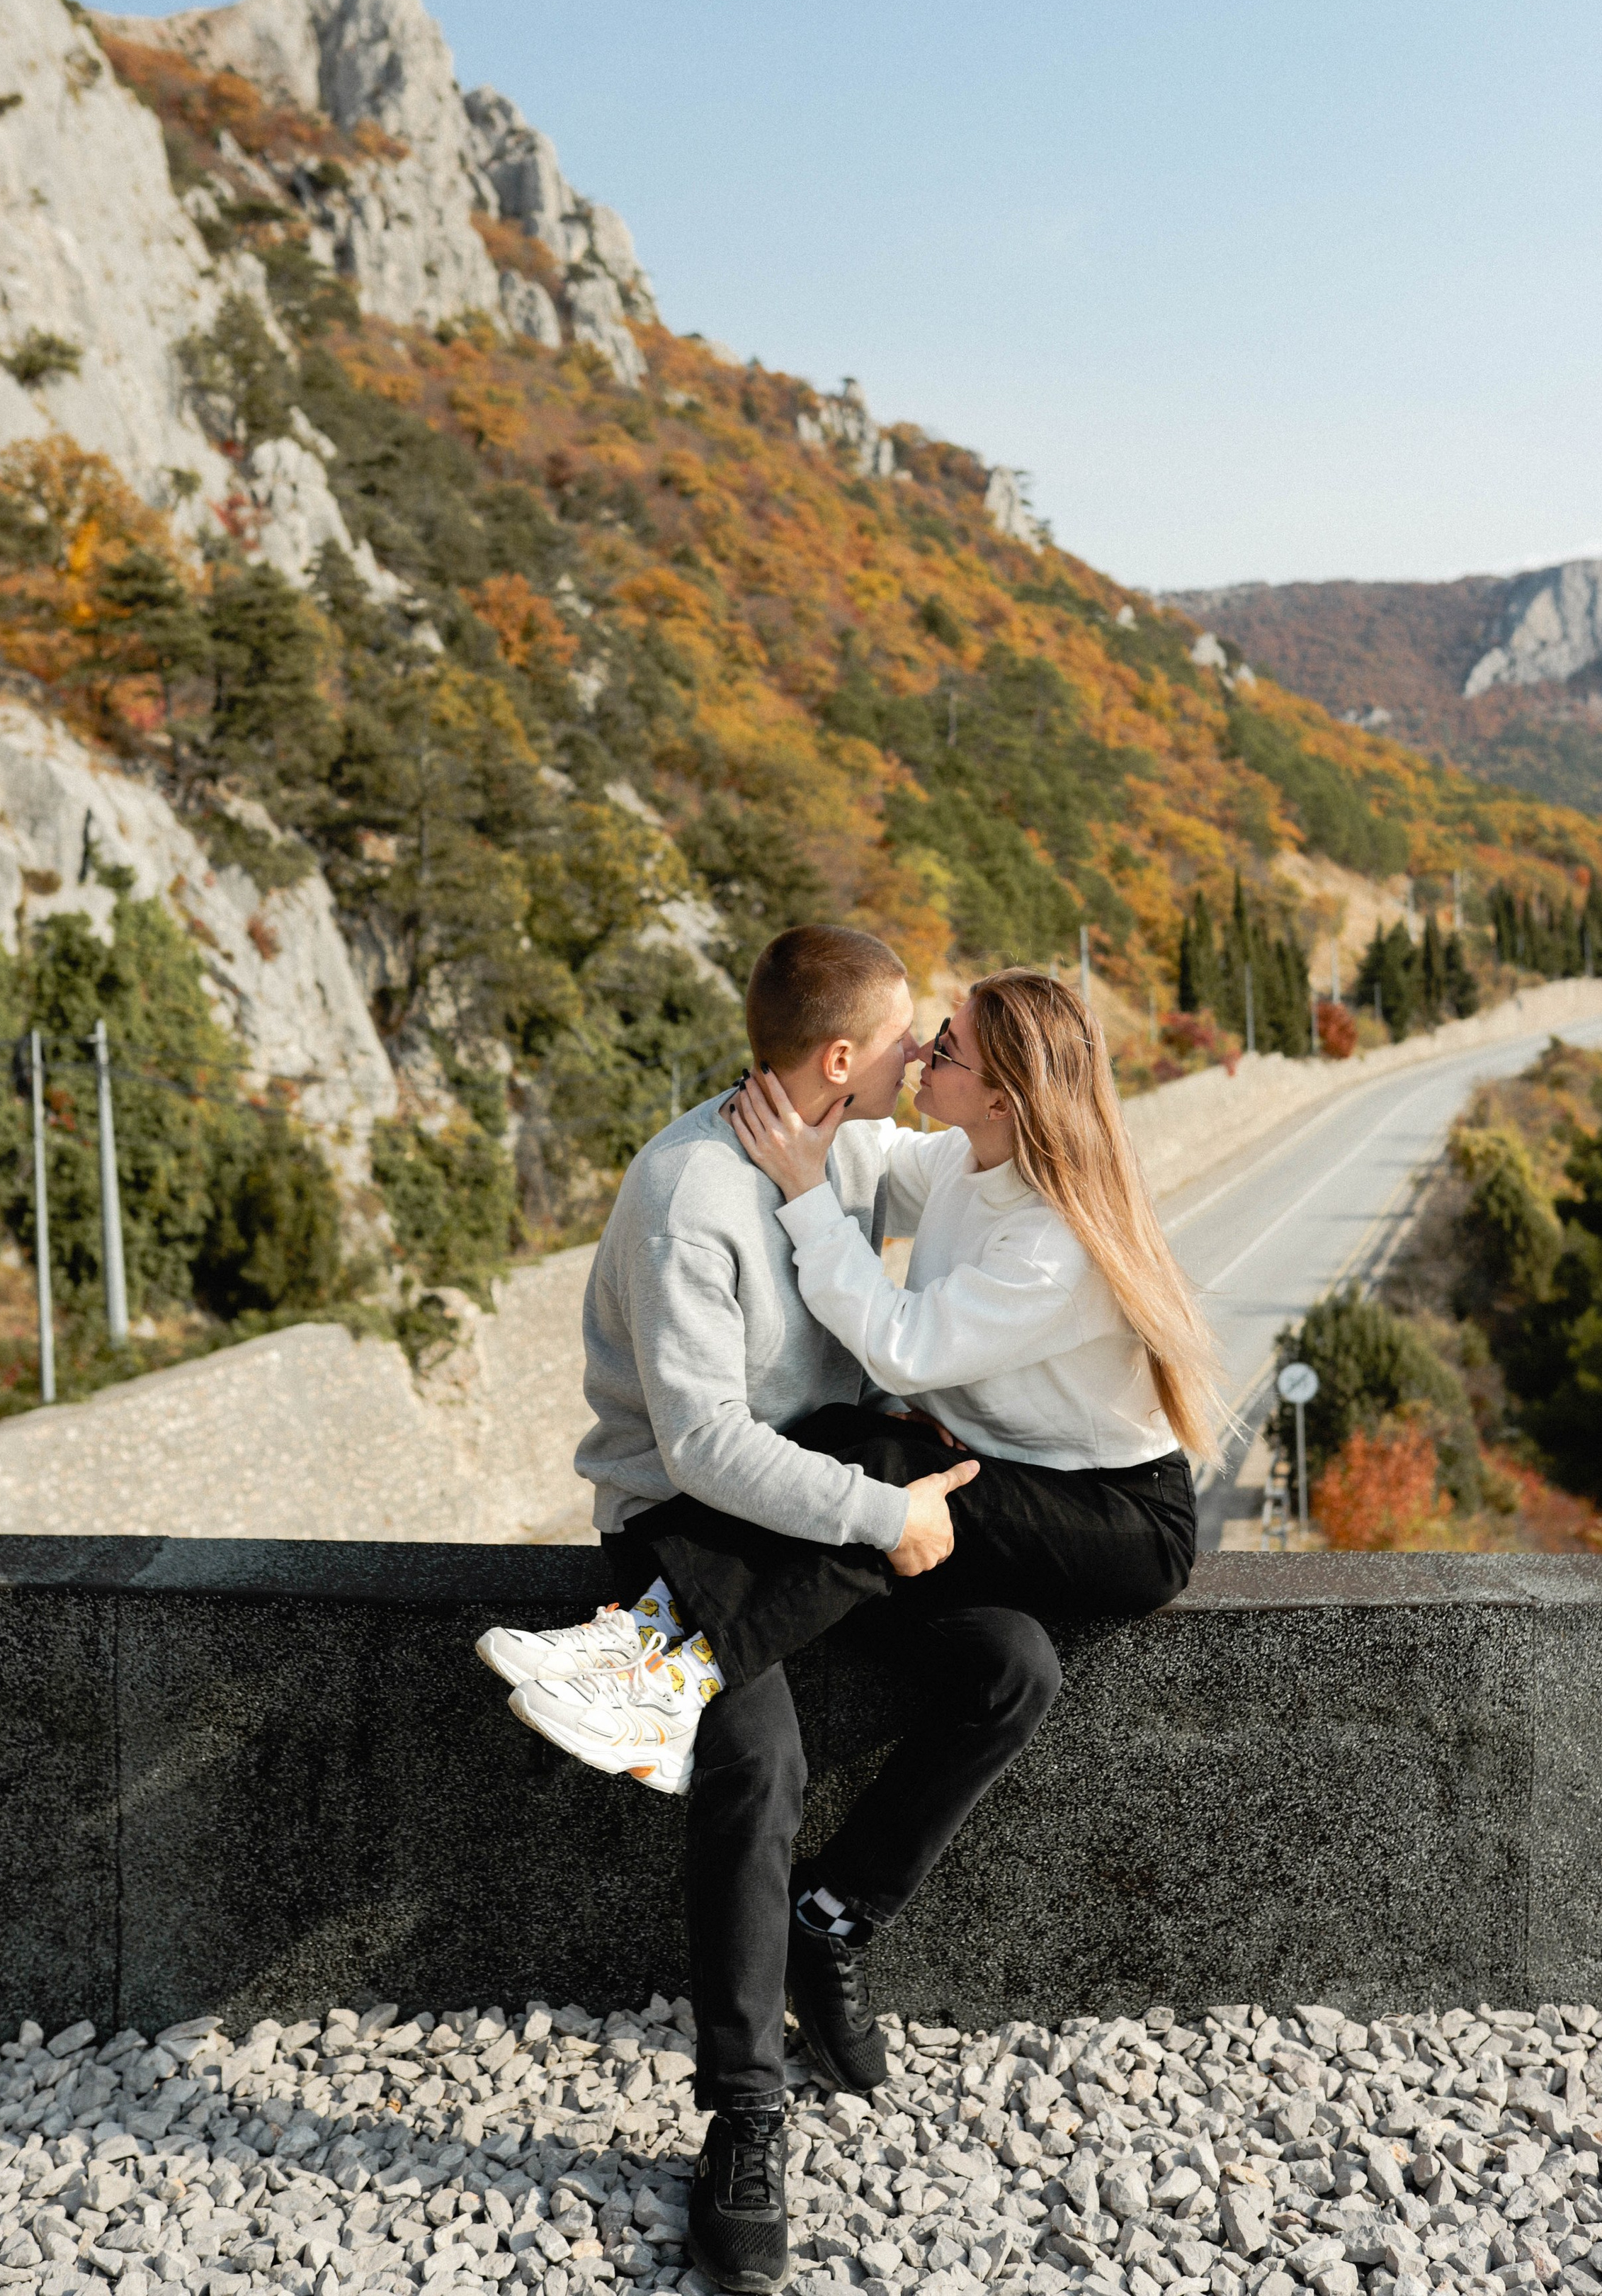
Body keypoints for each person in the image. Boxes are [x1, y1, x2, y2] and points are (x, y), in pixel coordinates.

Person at [483, 956, 1220, 2295]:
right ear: (843, 1062)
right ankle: (744, 2118)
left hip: (860, 1497)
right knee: (761, 1760)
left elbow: (894, 1333)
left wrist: (879, 1502)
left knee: (1013, 1664)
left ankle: (810, 1899)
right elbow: (704, 1450)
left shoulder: (872, 1155)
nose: (921, 1059)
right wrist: (882, 1514)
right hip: (696, 1525)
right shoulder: (692, 1194)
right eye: (910, 1040)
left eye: (943, 1047)